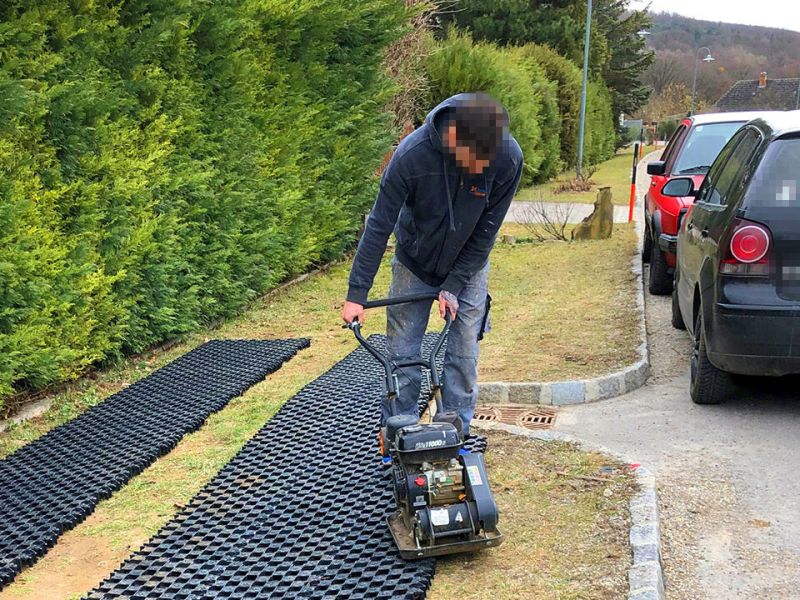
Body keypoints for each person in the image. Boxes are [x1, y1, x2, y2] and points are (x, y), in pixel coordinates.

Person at [341, 93, 523, 436]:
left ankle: (456, 430)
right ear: (454, 139)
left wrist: (453, 285)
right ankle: (400, 430)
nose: (483, 167)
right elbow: (379, 224)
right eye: (476, 159)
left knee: (463, 351)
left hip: (469, 264)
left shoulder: (507, 157)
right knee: (403, 349)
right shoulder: (412, 156)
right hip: (415, 261)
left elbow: (487, 231)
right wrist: (357, 293)